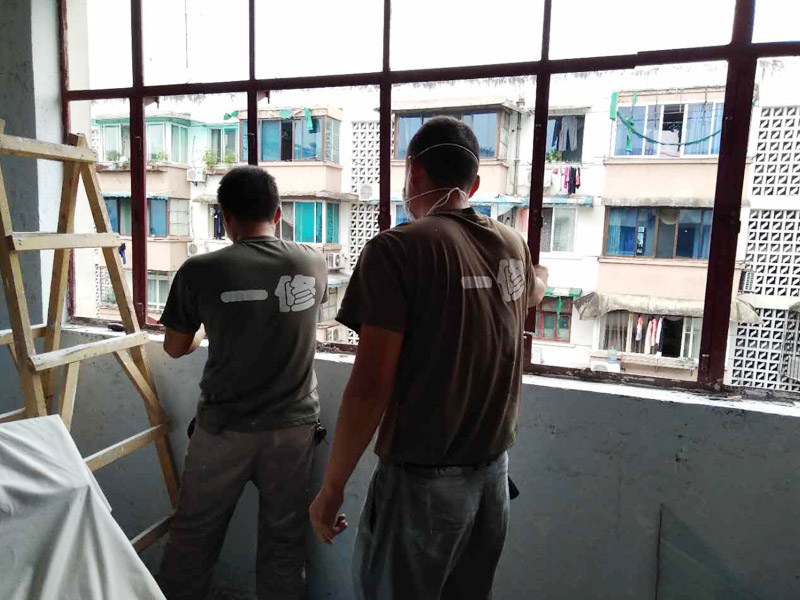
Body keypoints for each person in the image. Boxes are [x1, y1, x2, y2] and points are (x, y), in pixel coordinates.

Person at [309, 116, 548, 599]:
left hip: (422, 488)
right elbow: (533, 290)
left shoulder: (396, 249)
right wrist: (539, 277)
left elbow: (371, 386)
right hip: (491, 482)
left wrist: (331, 488)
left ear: (413, 171)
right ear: (473, 184)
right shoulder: (511, 245)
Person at [157, 166, 328, 600]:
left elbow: (175, 347)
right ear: (278, 212)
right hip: (293, 429)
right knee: (284, 539)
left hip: (223, 429)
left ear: (226, 217)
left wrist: (202, 333)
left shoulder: (200, 270)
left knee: (193, 536)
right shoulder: (311, 261)